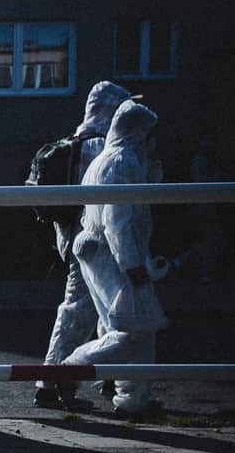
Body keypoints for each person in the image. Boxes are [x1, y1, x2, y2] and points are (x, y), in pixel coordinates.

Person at [34, 80, 138, 409]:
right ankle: (50, 382)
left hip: (73, 239)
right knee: (80, 312)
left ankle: (109, 378)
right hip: (95, 246)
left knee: (106, 312)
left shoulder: (73, 144)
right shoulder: (101, 148)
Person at [63, 100, 167, 416]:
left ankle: (133, 399)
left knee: (126, 327)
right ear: (139, 133)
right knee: (132, 331)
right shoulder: (122, 162)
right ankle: (70, 369)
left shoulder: (109, 159)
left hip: (102, 253)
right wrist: (133, 265)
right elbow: (117, 220)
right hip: (115, 256)